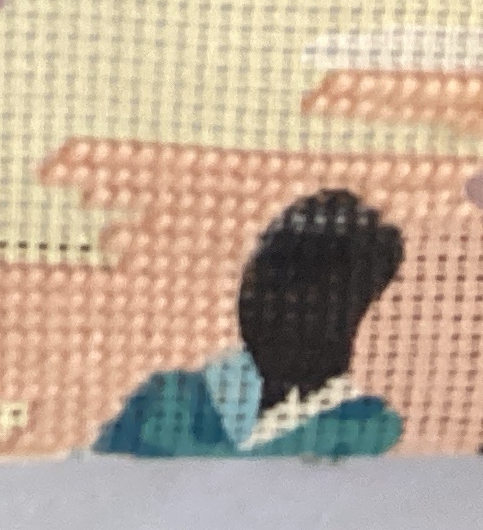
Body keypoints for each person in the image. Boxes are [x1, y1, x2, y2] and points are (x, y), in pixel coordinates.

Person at [96, 190, 407, 458]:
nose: (267, 300)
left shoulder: (371, 434)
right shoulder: (165, 405)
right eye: (264, 275)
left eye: (302, 290)